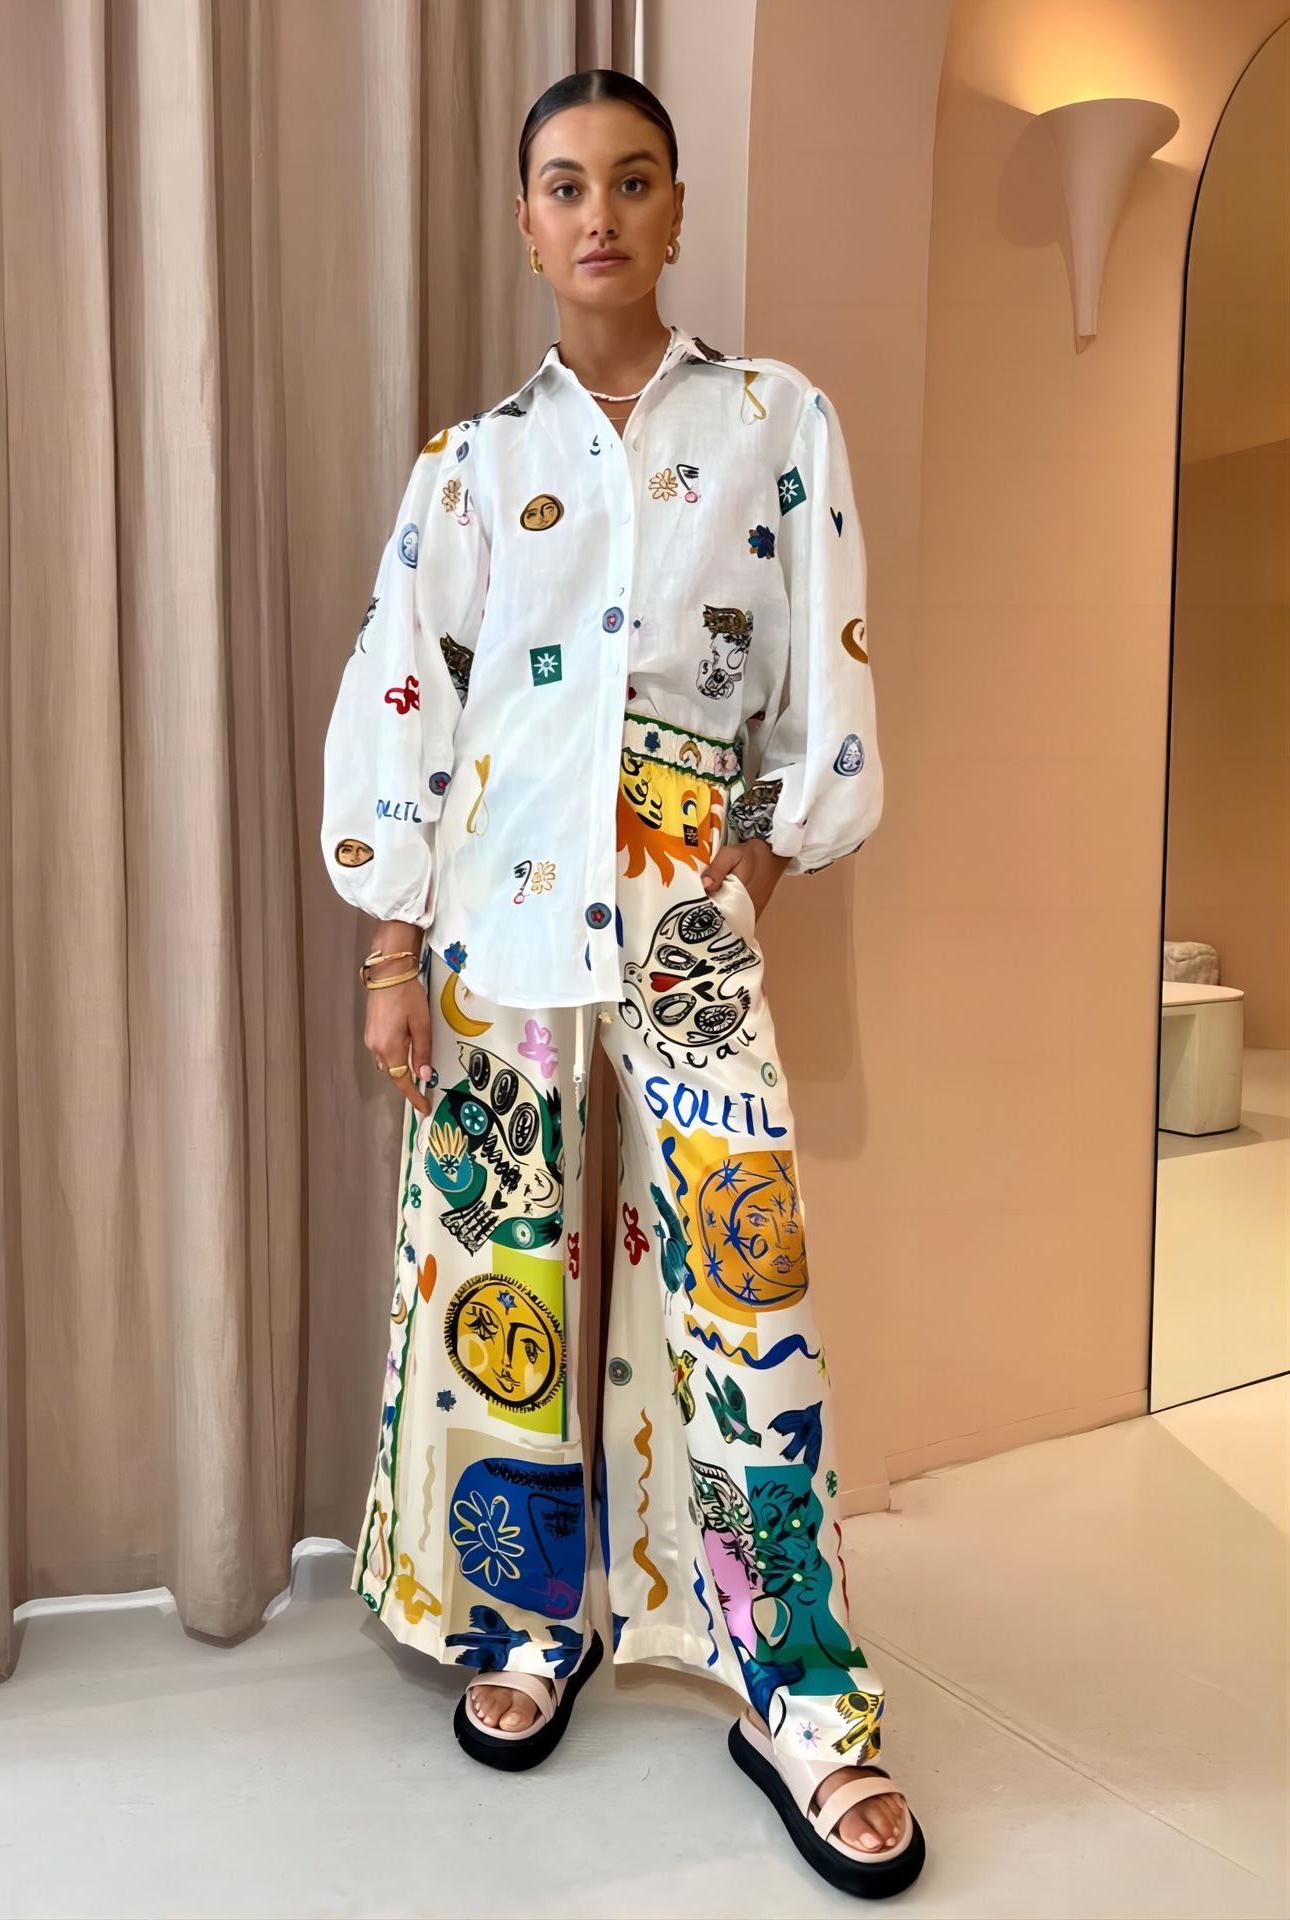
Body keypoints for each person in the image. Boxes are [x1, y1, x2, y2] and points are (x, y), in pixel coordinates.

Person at [321, 68, 925, 1900]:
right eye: (566, 185)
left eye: (634, 181)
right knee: (503, 1277)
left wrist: (756, 861)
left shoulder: (773, 419)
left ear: (674, 210)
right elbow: (403, 701)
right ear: (526, 223)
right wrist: (389, 944)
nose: (600, 214)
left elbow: (820, 674)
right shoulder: (465, 466)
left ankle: (796, 1686)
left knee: (746, 1298)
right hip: (493, 916)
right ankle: (524, 1621)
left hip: (685, 908)